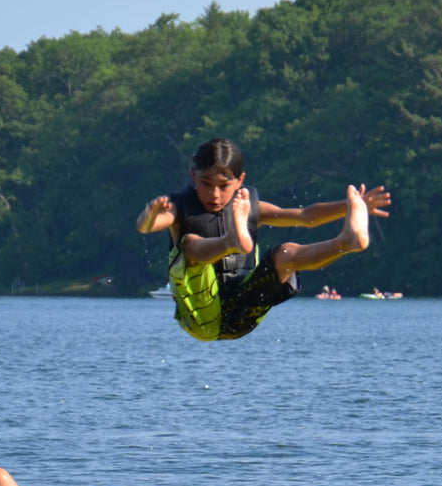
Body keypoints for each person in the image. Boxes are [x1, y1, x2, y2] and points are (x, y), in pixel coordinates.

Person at [135, 137, 391, 340]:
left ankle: (346, 242)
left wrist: (350, 205)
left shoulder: (248, 205)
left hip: (244, 313)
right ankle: (231, 241)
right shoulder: (180, 209)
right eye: (206, 184)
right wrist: (149, 214)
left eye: (224, 186)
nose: (214, 194)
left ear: (240, 181)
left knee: (286, 254)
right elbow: (146, 227)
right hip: (202, 317)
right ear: (193, 177)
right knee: (189, 245)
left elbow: (306, 216)